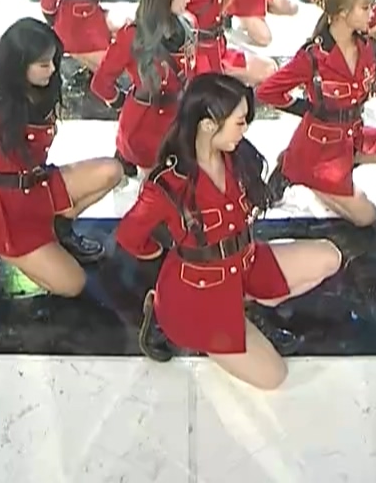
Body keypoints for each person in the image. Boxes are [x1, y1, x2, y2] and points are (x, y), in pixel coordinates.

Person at [116, 74, 344, 390]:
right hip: (200, 293)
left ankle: (244, 304)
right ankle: (163, 313)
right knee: (273, 376)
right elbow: (129, 237)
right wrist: (173, 251)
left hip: (246, 263)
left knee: (329, 257)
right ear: (208, 125)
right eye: (239, 122)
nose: (245, 129)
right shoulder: (168, 184)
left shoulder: (239, 158)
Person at [0, 17, 125, 295]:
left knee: (112, 171)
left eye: (53, 61)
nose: (53, 69)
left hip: (39, 185)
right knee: (73, 285)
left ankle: (59, 228)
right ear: (19, 65)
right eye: (43, 64)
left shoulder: (41, 91)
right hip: (6, 208)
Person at [256, 0, 376, 226]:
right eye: (365, 8)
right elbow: (267, 91)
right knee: (367, 216)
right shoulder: (313, 56)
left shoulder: (368, 46)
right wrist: (311, 109)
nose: (372, 13)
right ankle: (299, 171)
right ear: (343, 12)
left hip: (352, 133)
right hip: (321, 146)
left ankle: (315, 162)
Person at [91, 0, 196, 174]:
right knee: (158, 186)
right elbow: (101, 83)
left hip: (179, 122)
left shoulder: (187, 26)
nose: (188, 0)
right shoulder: (132, 35)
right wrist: (121, 102)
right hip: (145, 127)